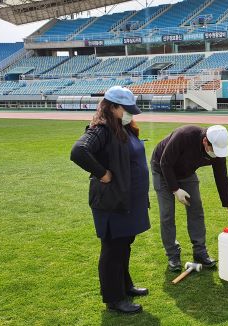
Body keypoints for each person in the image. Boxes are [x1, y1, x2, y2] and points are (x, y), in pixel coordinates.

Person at [70, 86, 150, 314]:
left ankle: (125, 286)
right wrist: (103, 173)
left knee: (124, 245)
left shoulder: (123, 128)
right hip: (112, 203)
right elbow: (78, 151)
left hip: (127, 202)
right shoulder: (102, 129)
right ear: (113, 107)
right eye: (126, 109)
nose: (130, 114)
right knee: (113, 250)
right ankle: (114, 299)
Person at [151, 125, 228, 272]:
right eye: (213, 149)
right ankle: (173, 255)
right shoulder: (184, 135)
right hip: (162, 169)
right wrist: (175, 189)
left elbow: (221, 177)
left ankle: (200, 252)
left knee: (196, 209)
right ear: (205, 141)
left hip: (187, 173)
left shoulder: (218, 151)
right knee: (167, 214)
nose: (215, 154)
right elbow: (165, 162)